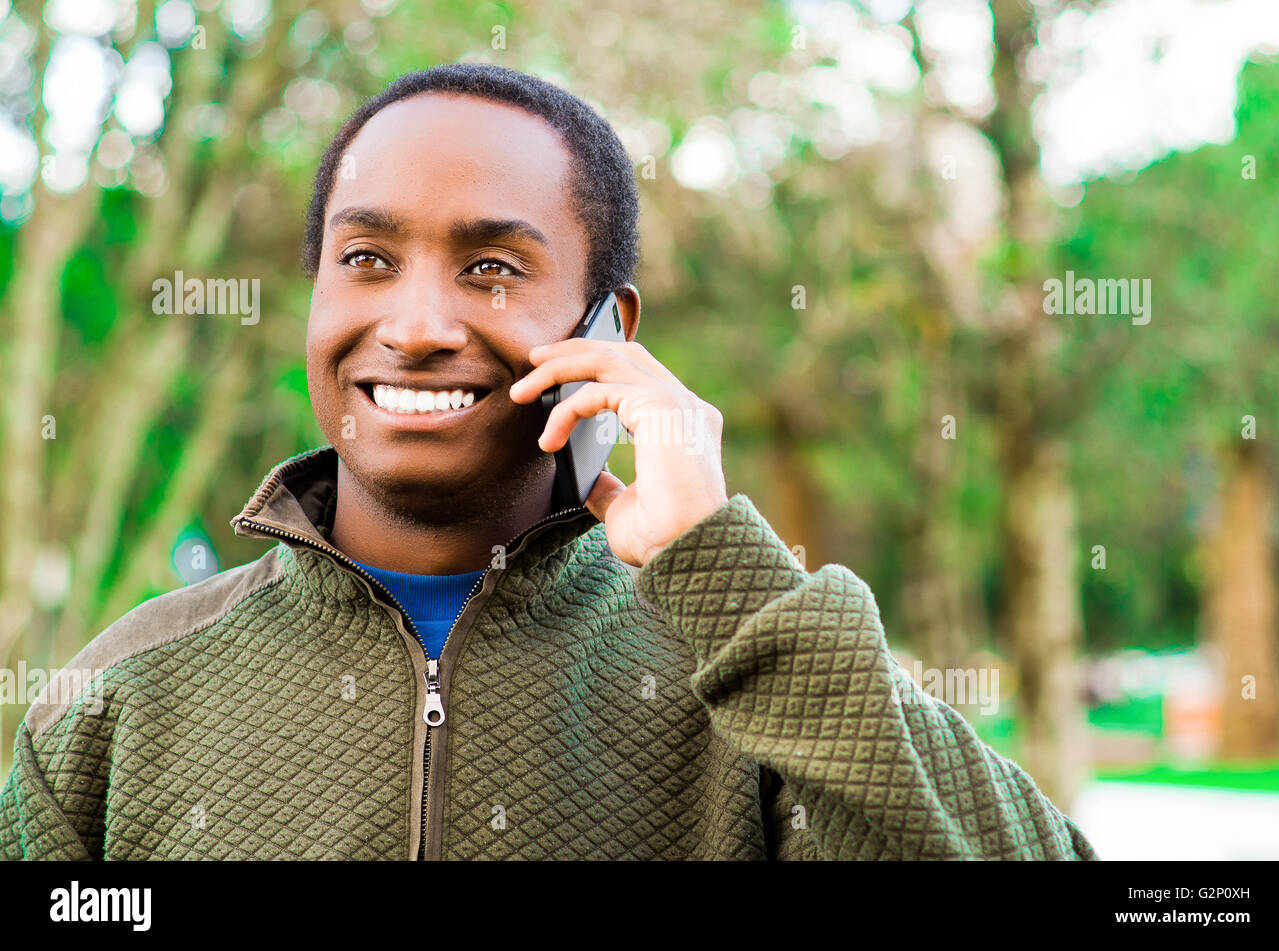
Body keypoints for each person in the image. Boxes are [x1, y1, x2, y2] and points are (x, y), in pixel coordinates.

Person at [0, 63, 1097, 860]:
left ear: (608, 330)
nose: (418, 322)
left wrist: (726, 577)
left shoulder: (745, 677)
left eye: (489, 267)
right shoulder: (121, 694)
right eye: (366, 259)